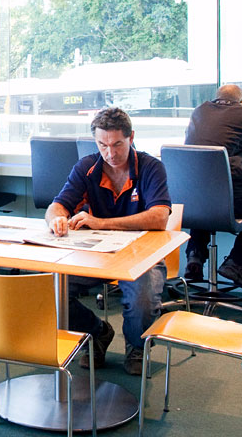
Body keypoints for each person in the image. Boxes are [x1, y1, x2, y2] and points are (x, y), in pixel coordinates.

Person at [46, 107, 171, 375]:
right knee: (50, 288)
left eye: (117, 145)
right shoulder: (87, 167)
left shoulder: (151, 167)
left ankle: (136, 348)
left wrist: (101, 223)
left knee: (143, 297)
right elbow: (57, 206)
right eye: (102, 145)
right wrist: (56, 219)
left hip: (141, 254)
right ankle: (96, 334)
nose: (110, 153)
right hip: (96, 254)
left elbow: (160, 217)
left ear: (131, 138)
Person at [183, 84, 242, 289]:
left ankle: (194, 256)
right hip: (227, 200)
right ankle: (237, 264)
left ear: (215, 99)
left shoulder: (199, 111)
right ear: (241, 102)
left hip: (191, 202)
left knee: (204, 201)